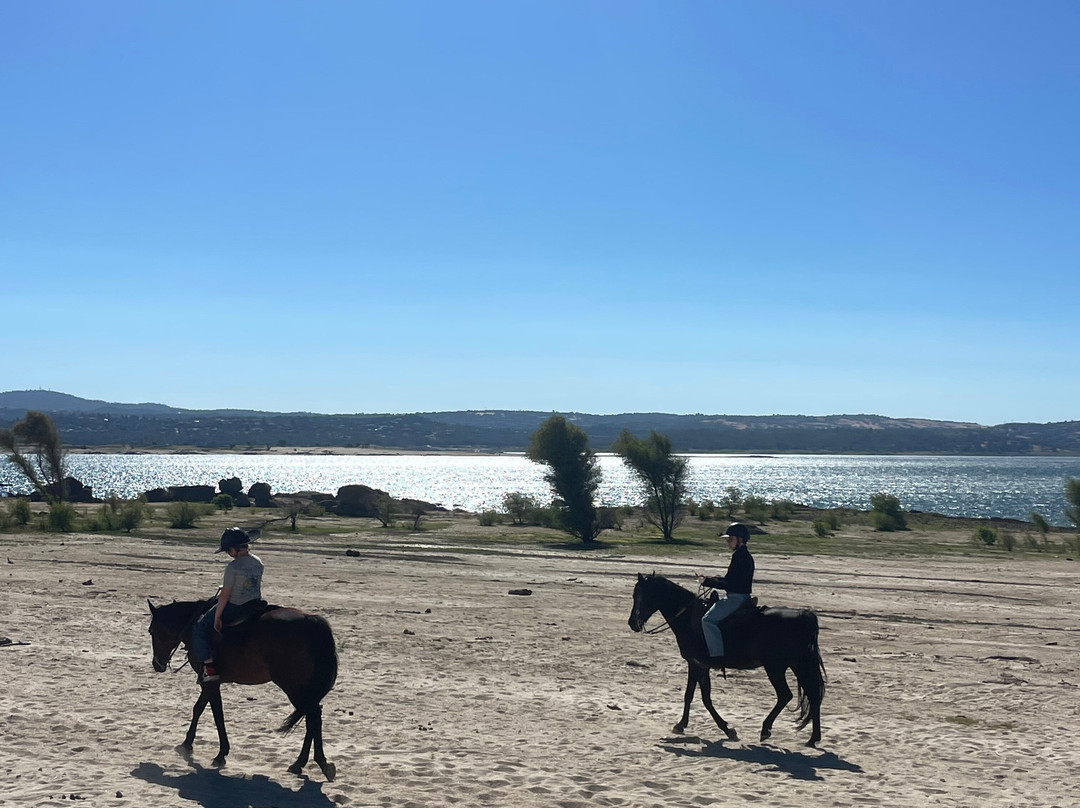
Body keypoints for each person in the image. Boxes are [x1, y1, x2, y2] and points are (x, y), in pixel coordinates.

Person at [192, 527, 264, 684]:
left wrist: (217, 617)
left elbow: (225, 595)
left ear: (234, 549)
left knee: (200, 628)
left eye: (228, 551)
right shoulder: (258, 562)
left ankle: (209, 669)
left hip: (236, 604)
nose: (228, 554)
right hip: (254, 602)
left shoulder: (233, 567)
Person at [696, 522, 754, 664]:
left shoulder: (740, 556)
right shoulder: (743, 555)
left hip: (736, 598)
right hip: (741, 596)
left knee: (707, 620)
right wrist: (714, 579)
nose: (728, 542)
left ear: (740, 540)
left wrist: (708, 582)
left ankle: (716, 657)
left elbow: (731, 584)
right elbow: (731, 579)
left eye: (730, 539)